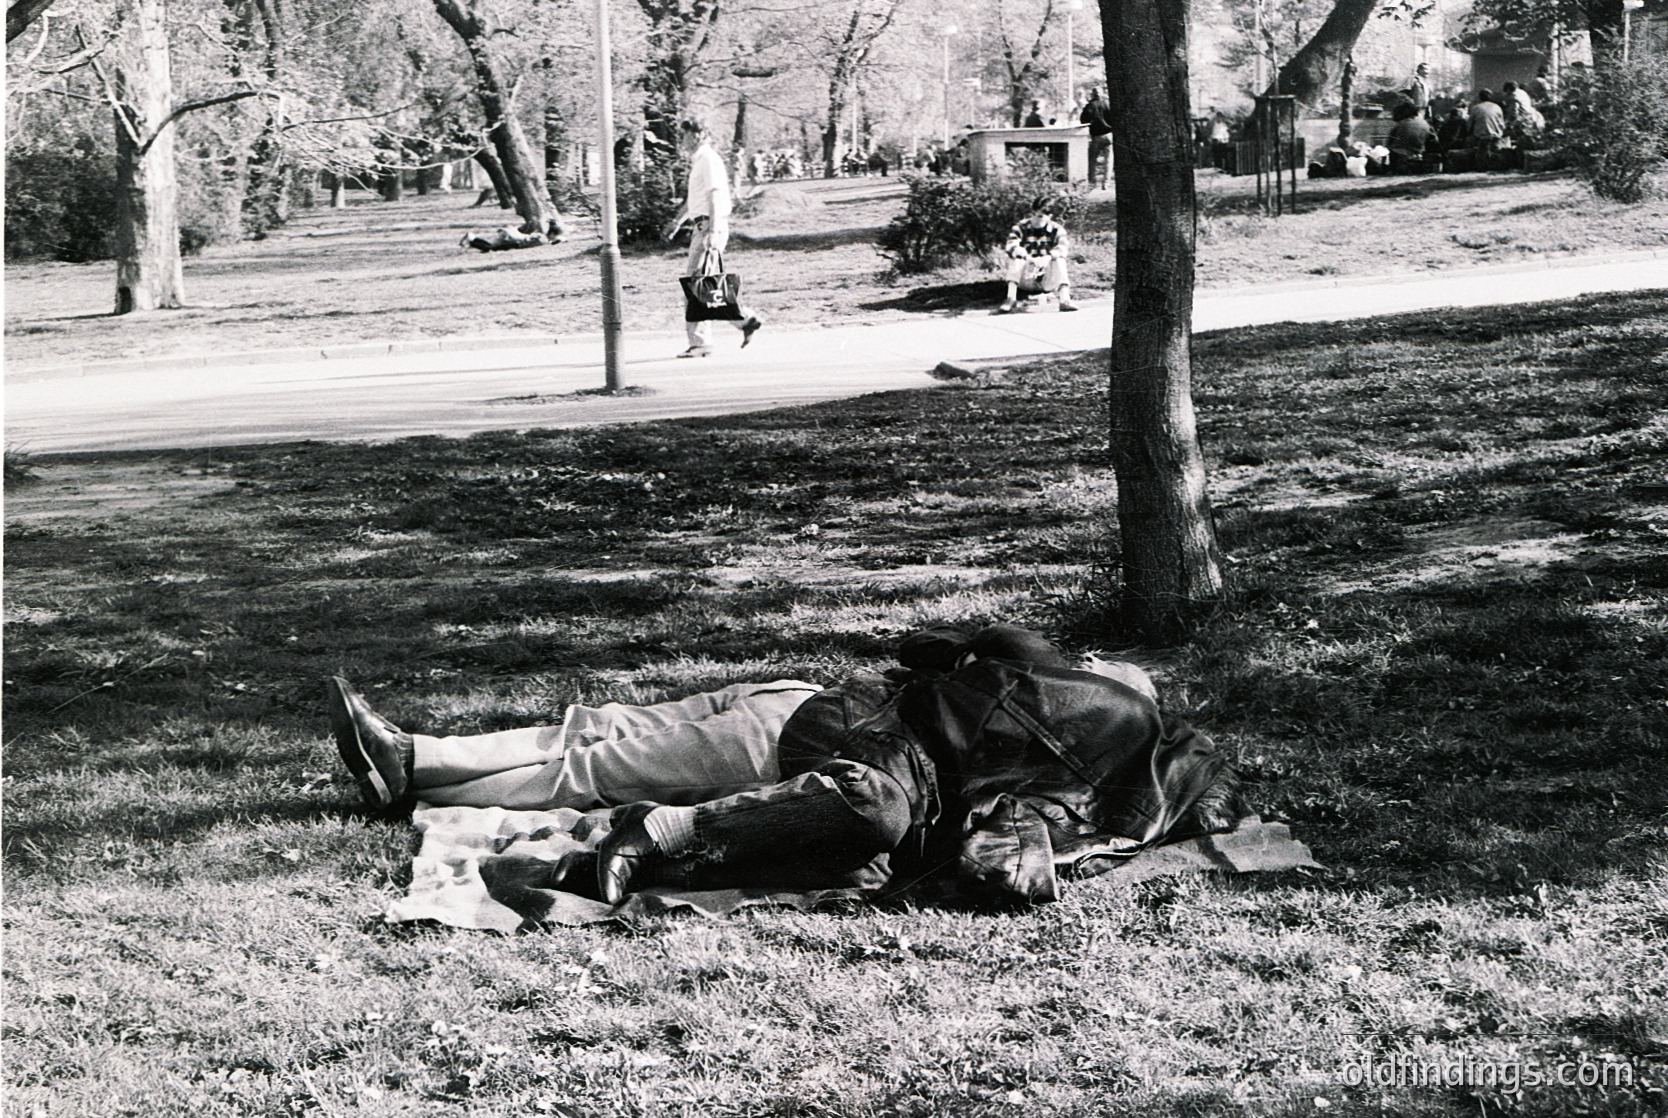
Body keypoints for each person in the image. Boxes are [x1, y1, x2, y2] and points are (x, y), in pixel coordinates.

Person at [588, 624, 1240, 908]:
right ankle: (662, 832)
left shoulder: (1117, 765)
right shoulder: (1057, 679)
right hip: (867, 735)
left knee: (864, 862)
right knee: (872, 809)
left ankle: (664, 857)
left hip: (889, 764)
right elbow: (928, 663)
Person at [329, 677, 822, 812]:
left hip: (812, 739)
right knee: (600, 728)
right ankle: (413, 755)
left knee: (600, 768)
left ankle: (414, 781)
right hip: (809, 697)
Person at [663, 117, 762, 358]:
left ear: (697, 135)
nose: (682, 140)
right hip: (702, 225)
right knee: (704, 284)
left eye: (685, 134)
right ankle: (744, 320)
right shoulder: (700, 161)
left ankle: (701, 342)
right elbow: (695, 199)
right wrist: (676, 222)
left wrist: (713, 230)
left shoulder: (708, 159)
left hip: (708, 225)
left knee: (695, 284)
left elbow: (715, 195)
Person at [997, 196, 1077, 314]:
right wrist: (1027, 258)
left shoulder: (1057, 229)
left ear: (1050, 216)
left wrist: (1048, 257)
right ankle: (1011, 298)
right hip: (1025, 277)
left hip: (1047, 279)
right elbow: (1011, 246)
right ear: (1032, 212)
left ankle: (1065, 300)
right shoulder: (1020, 227)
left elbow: (1063, 247)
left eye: (1044, 215)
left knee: (1059, 259)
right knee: (1016, 258)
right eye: (1037, 214)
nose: (1039, 218)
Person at [1386, 101, 1437, 173]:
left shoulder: (1401, 123)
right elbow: (1433, 139)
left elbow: (1390, 140)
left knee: (1391, 150)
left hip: (1402, 151)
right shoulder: (1425, 123)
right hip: (1419, 150)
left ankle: (1392, 169)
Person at [1079, 87, 1113, 190]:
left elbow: (1083, 120)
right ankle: (1106, 183)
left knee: (1092, 159)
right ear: (1101, 94)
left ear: (1092, 94)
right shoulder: (1106, 104)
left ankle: (1092, 182)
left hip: (1097, 135)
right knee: (1108, 160)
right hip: (1109, 134)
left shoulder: (1091, 105)